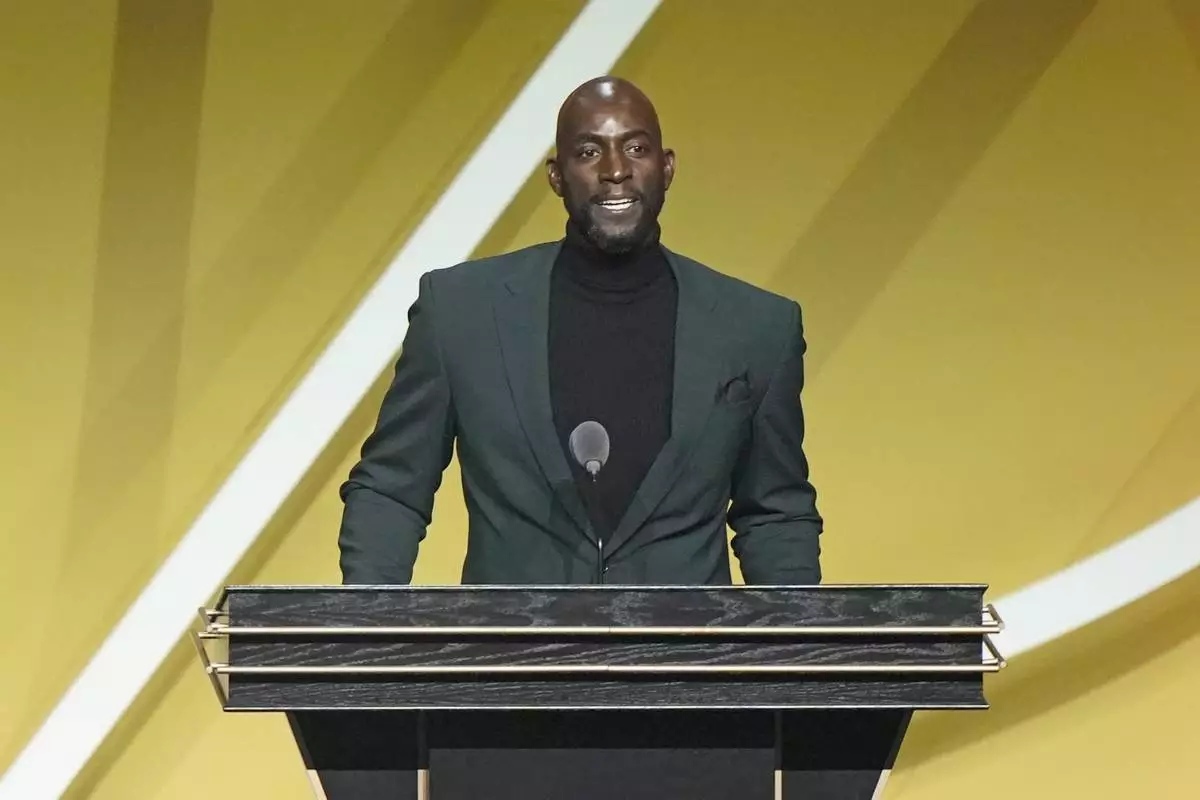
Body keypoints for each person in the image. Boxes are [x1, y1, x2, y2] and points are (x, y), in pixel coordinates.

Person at [337, 76, 823, 586]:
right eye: (589, 152)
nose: (615, 170)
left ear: (667, 167)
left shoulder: (756, 327)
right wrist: (370, 625)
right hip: (513, 638)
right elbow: (392, 489)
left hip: (686, 637)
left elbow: (776, 515)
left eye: (636, 148)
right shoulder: (460, 313)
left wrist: (792, 635)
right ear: (556, 176)